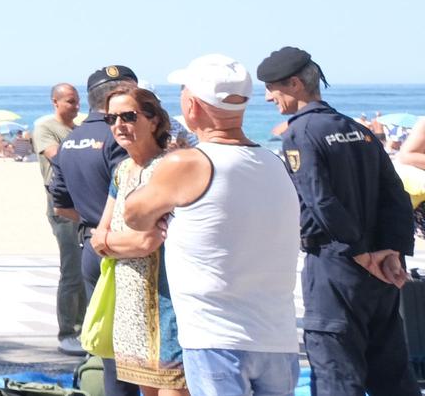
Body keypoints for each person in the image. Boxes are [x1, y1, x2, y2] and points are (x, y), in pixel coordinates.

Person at [121, 55, 299, 396]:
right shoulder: (272, 162)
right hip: (277, 337)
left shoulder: (190, 163)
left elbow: (134, 214)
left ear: (193, 105)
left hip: (216, 338)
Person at [257, 46, 415, 396]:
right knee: (391, 375)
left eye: (272, 88)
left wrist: (359, 253)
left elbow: (320, 200)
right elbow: (397, 196)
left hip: (336, 269)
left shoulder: (300, 134)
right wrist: (391, 251)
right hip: (379, 273)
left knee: (336, 376)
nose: (269, 98)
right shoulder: (358, 131)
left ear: (295, 84)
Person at [90, 87, 185, 395]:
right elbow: (98, 237)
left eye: (129, 116)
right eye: (111, 118)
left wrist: (113, 242)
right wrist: (120, 241)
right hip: (130, 306)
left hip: (166, 303)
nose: (119, 125)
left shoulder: (168, 168)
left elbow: (148, 242)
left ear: (154, 121)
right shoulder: (122, 170)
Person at [52, 65, 139, 395]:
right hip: (123, 246)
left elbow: (60, 205)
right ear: (118, 95)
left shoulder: (70, 140)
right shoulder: (118, 138)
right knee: (133, 353)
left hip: (90, 242)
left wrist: (93, 220)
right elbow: (129, 193)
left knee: (109, 352)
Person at [32, 82, 85, 353]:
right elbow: (58, 157)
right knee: (72, 269)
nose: (76, 106)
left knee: (88, 267)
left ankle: (84, 328)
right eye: (70, 101)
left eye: (77, 101)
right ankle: (68, 331)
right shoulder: (46, 128)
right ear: (55, 102)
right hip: (61, 203)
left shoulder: (79, 131)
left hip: (84, 202)